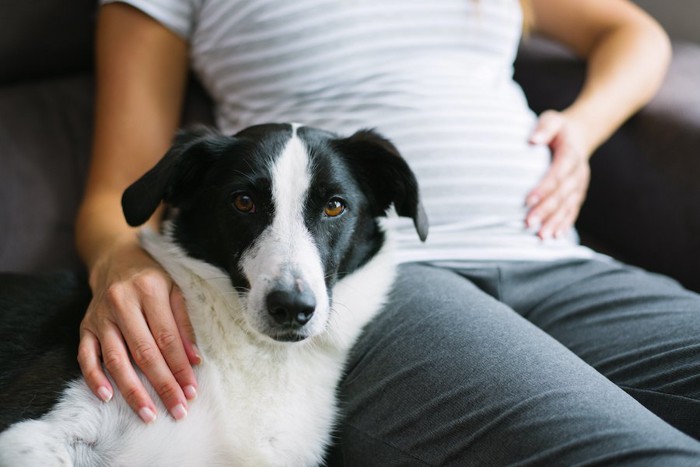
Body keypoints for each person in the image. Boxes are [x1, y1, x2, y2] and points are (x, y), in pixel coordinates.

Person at [76, 0, 700, 463]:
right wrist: (121, 262)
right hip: (390, 287)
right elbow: (118, 191)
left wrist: (580, 132)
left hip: (560, 260)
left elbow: (634, 33)